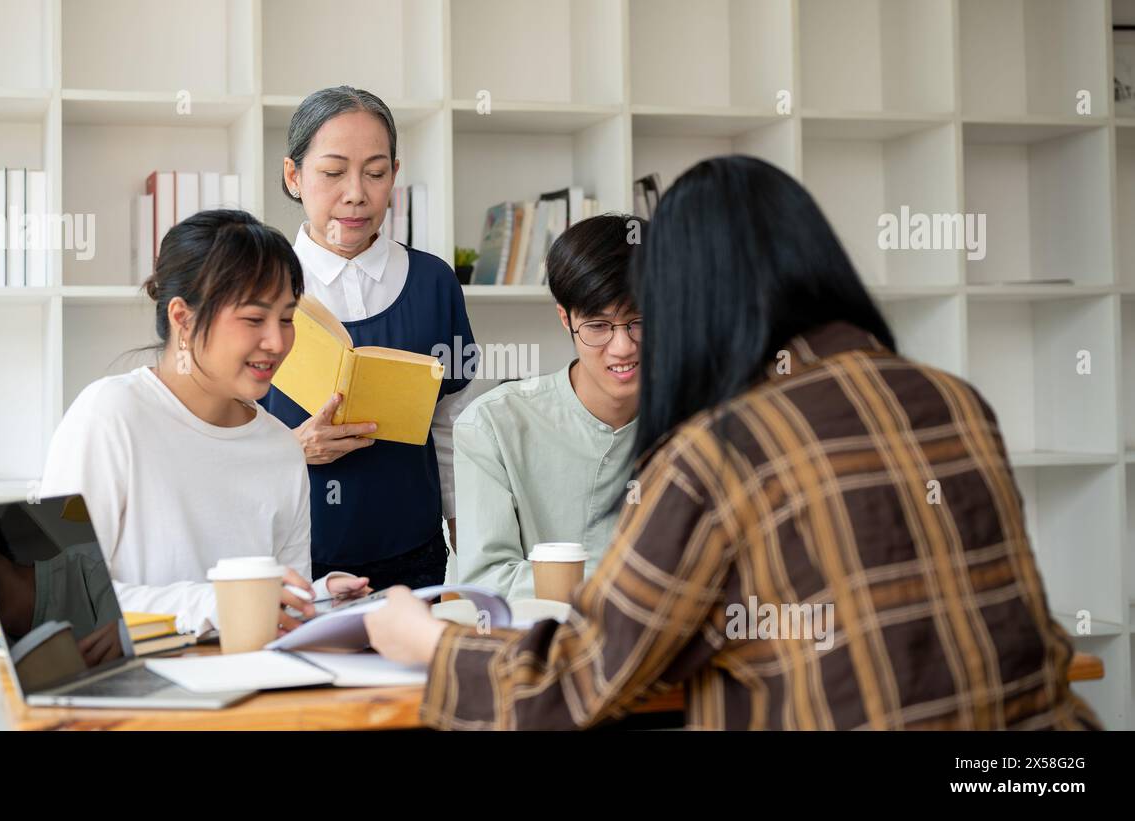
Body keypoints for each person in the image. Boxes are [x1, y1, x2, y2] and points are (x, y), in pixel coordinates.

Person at [364, 155, 1101, 730]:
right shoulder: (954, 399)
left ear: (688, 297)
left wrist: (426, 640)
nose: (630, 342)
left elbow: (579, 679)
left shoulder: (725, 446)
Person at [40, 210, 370, 637]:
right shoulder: (109, 415)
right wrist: (216, 603)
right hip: (141, 694)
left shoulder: (279, 447)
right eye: (254, 318)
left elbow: (278, 612)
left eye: (287, 318)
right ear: (183, 318)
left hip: (252, 690)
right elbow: (56, 597)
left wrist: (319, 601)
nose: (276, 341)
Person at [263, 86, 476, 591]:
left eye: (376, 173)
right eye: (333, 173)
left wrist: (463, 522)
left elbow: (450, 424)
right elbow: (216, 437)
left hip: (413, 555)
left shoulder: (434, 282)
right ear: (294, 177)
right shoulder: (259, 287)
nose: (356, 193)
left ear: (394, 176)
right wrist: (293, 448)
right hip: (290, 556)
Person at [454, 214, 644, 599]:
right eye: (598, 327)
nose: (623, 346)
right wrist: (635, 586)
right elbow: (488, 580)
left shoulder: (702, 421)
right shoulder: (493, 424)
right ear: (566, 319)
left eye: (640, 321)